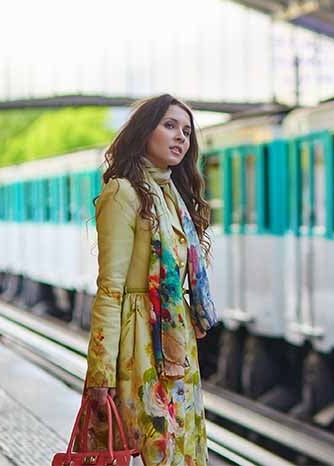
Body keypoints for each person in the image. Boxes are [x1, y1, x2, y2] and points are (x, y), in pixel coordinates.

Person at [84, 94, 212, 466]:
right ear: (145, 131)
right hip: (138, 345)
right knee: (152, 448)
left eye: (186, 131)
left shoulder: (175, 197)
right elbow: (110, 288)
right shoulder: (123, 193)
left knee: (181, 449)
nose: (180, 138)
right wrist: (101, 373)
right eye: (169, 126)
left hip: (178, 346)